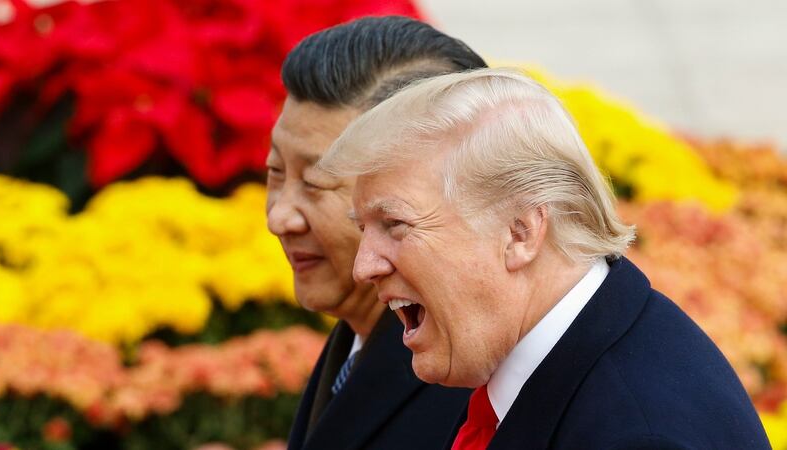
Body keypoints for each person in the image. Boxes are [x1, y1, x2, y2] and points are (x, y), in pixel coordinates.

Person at [318, 68, 771, 449]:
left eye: (394, 225)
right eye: (363, 229)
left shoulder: (639, 435)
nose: (364, 267)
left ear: (521, 231)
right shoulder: (541, 358)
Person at [266, 16, 486, 450]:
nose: (279, 218)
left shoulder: (466, 383)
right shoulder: (361, 324)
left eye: (315, 183)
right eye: (275, 172)